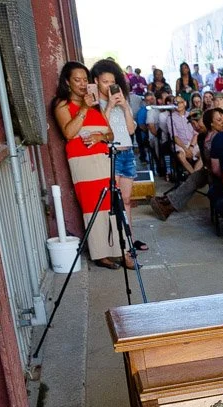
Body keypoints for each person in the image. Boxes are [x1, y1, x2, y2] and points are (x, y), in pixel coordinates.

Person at [50, 61, 128, 269]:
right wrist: (83, 108)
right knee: (93, 206)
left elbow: (111, 134)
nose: (83, 84)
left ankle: (117, 250)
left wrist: (99, 136)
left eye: (85, 79)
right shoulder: (62, 104)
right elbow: (69, 133)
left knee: (110, 204)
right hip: (83, 162)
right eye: (77, 80)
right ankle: (101, 254)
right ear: (67, 82)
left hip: (103, 159)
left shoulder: (95, 105)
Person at [90, 59, 149, 251]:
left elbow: (131, 130)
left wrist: (124, 107)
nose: (109, 86)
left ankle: (129, 240)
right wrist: (108, 106)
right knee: (113, 202)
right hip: (111, 153)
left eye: (112, 82)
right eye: (105, 82)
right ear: (96, 81)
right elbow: (101, 128)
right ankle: (117, 244)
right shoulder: (95, 104)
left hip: (127, 152)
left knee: (127, 200)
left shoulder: (123, 101)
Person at [150, 108, 223, 221]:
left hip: (221, 173)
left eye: (198, 122)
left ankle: (169, 202)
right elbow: (206, 159)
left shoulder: (220, 136)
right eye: (192, 124)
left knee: (196, 177)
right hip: (210, 170)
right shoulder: (202, 137)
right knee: (194, 178)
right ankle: (169, 203)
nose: (196, 126)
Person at [169, 96, 202, 175]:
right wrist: (185, 149)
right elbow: (174, 136)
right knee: (181, 156)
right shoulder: (170, 117)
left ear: (184, 103)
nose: (177, 105)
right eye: (175, 103)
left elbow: (196, 133)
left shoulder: (191, 114)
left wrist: (191, 147)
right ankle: (193, 176)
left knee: (204, 155)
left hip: (193, 143)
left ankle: (193, 176)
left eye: (179, 102)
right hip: (180, 145)